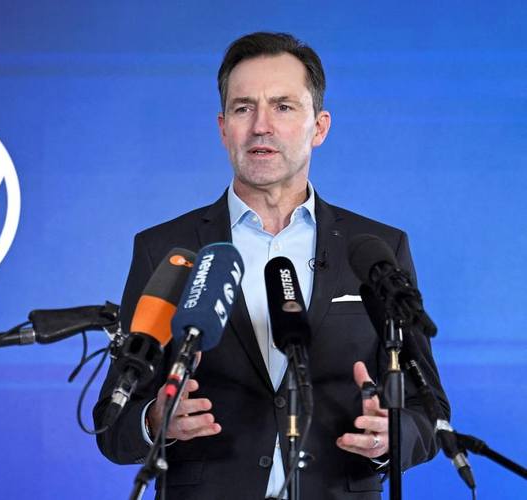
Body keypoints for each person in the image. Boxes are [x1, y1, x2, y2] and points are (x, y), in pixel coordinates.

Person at [94, 32, 448, 500]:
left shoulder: (378, 248)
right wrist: (155, 420)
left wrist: (391, 437)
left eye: (283, 106)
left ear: (319, 127)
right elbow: (112, 422)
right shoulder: (165, 248)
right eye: (243, 108)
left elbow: (429, 408)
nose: (261, 126)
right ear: (223, 128)